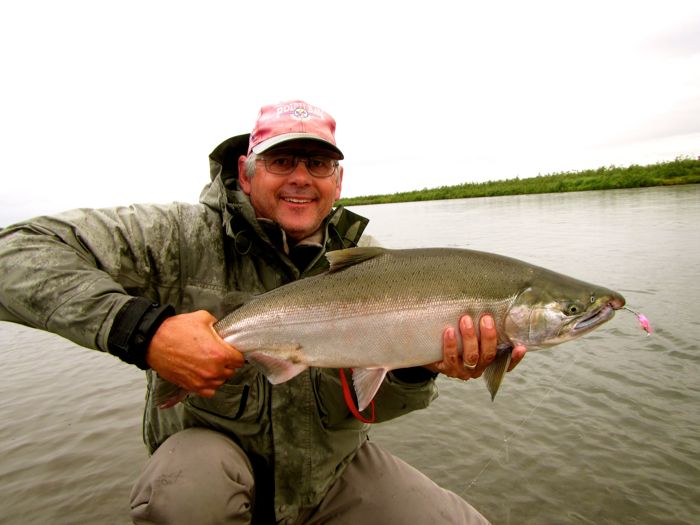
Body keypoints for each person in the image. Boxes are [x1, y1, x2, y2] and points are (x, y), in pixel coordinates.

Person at [0, 100, 526, 524]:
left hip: (327, 474)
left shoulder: (370, 264)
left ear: (338, 181)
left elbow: (373, 409)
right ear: (246, 173)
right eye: (282, 161)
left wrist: (417, 367)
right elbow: (14, 253)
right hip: (212, 469)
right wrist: (144, 332)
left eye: (317, 164)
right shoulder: (174, 238)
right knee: (185, 497)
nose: (301, 177)